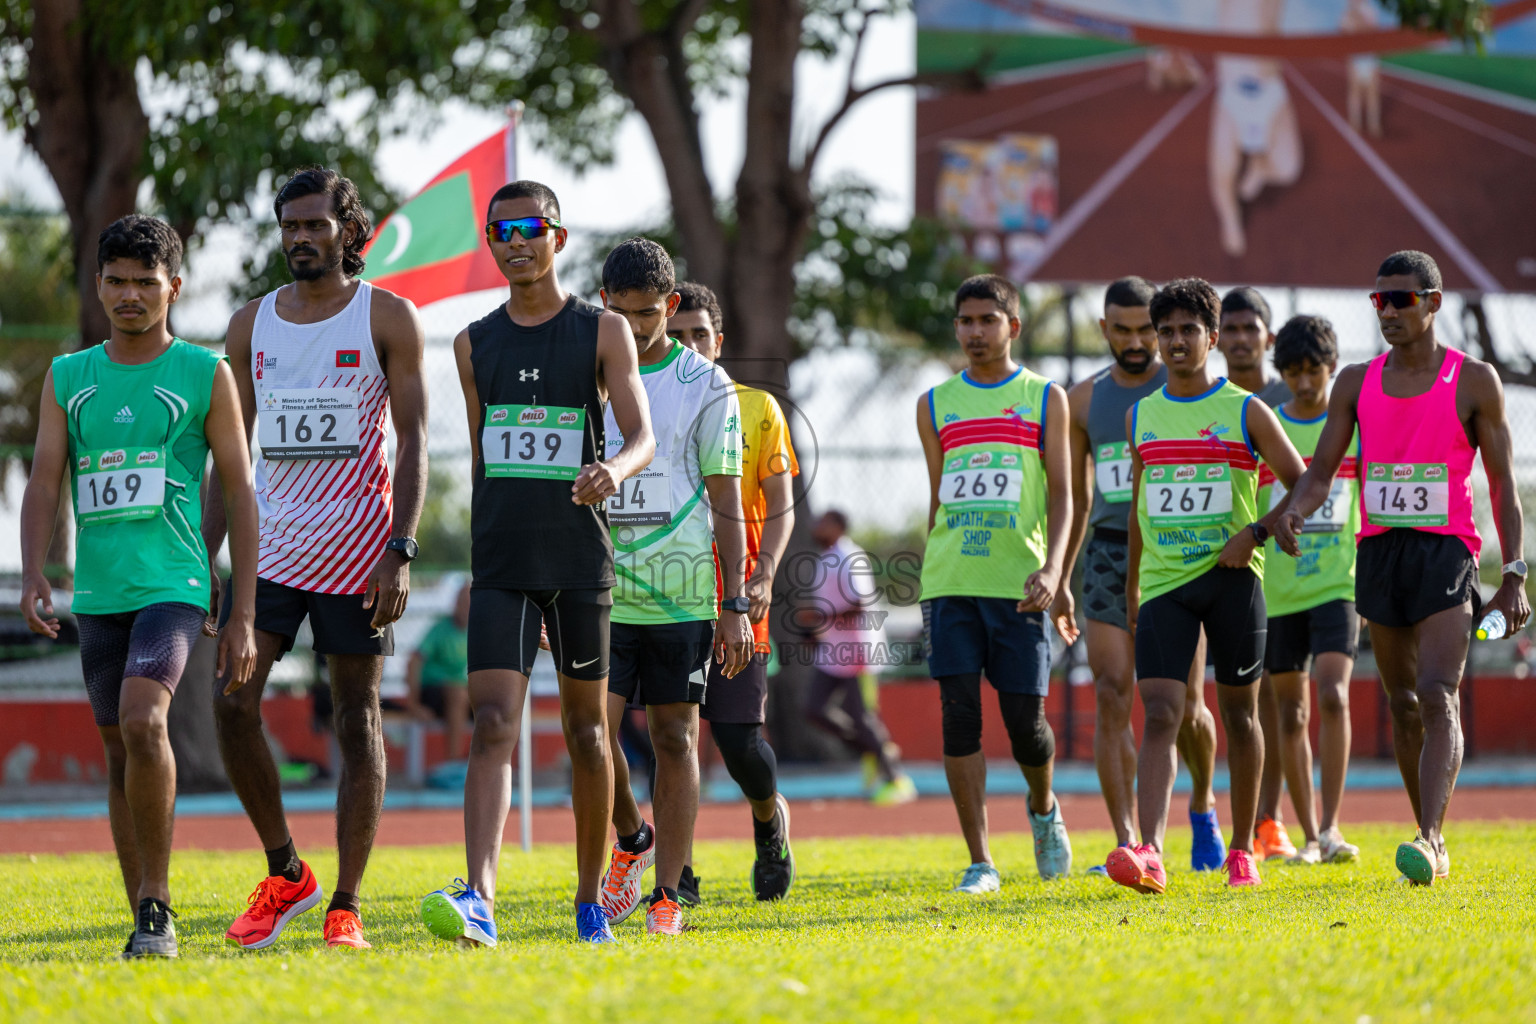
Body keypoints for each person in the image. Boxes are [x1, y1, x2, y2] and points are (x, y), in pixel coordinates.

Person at [421, 182, 655, 947]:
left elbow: (639, 435)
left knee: (590, 736)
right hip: (501, 562)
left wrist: (613, 471)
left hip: (578, 563)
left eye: (529, 228)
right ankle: (480, 897)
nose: (514, 241)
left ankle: (590, 901)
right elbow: (490, 456)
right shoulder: (471, 343)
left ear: (557, 236)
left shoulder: (603, 330)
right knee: (493, 723)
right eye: (500, 230)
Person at [19, 215, 259, 957]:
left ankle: (158, 903)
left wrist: (243, 608)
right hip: (97, 595)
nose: (129, 294)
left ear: (173, 289)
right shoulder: (69, 379)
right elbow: (44, 479)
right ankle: (142, 914)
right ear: (98, 286)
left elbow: (242, 492)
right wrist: (33, 571)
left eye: (144, 282)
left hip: (176, 584)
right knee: (119, 748)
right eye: (116, 281)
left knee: (145, 719)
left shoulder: (203, 373)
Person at [204, 167, 429, 951]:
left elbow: (415, 443)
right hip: (269, 548)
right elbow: (227, 457)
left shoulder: (388, 317)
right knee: (232, 702)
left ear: (348, 231)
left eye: (315, 225)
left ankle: (346, 903)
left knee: (356, 718)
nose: (301, 238)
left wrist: (400, 550)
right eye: (289, 226)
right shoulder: (248, 325)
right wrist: (205, 555)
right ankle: (285, 870)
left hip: (359, 550)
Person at [1275, 251, 1529, 885]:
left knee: (1439, 692)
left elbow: (1502, 486)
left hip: (1446, 553)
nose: (1388, 311)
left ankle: (1430, 835)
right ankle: (1430, 837)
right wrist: (1289, 512)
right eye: (1379, 301)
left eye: (1402, 300)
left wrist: (1516, 574)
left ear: (1434, 303)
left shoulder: (1473, 381)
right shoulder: (1356, 382)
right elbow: (1321, 471)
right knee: (1403, 703)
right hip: (1380, 553)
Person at [1111, 277, 1306, 893]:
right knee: (1163, 711)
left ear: (1212, 338)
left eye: (1186, 331)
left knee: (1240, 715)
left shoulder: (1246, 409)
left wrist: (1256, 531)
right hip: (1165, 584)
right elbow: (1142, 504)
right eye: (1164, 331)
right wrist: (1133, 586)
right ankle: (1149, 852)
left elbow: (1302, 481)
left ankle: (1243, 850)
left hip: (1232, 581)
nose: (1173, 341)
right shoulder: (1140, 414)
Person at [595, 239, 753, 937]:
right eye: (623, 315)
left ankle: (667, 894)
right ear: (604, 305)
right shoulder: (585, 377)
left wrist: (735, 603)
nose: (636, 328)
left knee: (675, 737)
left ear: (674, 305)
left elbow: (726, 499)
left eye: (650, 314)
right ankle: (632, 837)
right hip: (596, 592)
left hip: (680, 593)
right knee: (588, 735)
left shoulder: (705, 384)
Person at [1055, 276, 1225, 877]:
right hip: (1105, 553)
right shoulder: (1080, 401)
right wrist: (1060, 576)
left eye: (1143, 330)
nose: (1135, 341)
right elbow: (1074, 499)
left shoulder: (1184, 384)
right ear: (1104, 328)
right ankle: (1131, 840)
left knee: (1184, 709)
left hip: (1177, 553)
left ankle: (1203, 805)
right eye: (1121, 330)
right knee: (1110, 692)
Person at [917, 273, 1074, 892]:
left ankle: (1042, 810)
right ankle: (981, 860)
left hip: (1019, 583)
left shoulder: (1045, 398)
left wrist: (1054, 570)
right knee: (959, 717)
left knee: (1027, 726)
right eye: (966, 321)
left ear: (1013, 326)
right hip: (949, 580)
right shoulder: (934, 404)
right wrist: (929, 571)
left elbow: (1063, 495)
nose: (975, 332)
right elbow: (937, 500)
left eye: (988, 320)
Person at [669, 281, 799, 903]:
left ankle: (770, 823)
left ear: (719, 343)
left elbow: (781, 507)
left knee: (740, 743)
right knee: (673, 736)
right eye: (677, 335)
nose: (688, 346)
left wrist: (763, 575)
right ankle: (679, 874)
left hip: (736, 601)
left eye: (699, 335)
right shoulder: (636, 401)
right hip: (664, 597)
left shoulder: (758, 409)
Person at [1258, 316, 1361, 865]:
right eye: (1292, 372)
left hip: (1337, 585)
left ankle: (1333, 824)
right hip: (1279, 591)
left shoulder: (1352, 428)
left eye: (1313, 370)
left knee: (1334, 694)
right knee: (1291, 715)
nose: (1303, 382)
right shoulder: (1268, 427)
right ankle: (1311, 837)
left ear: (1332, 367)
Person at [1220, 285, 1298, 861]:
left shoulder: (1283, 398)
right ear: (1216, 336)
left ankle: (1269, 822)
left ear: (1268, 337)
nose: (1242, 339)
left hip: (1278, 564)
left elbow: (1311, 481)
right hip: (1204, 564)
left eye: (1252, 329)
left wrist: (1264, 532)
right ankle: (1204, 816)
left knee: (1273, 696)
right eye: (1232, 328)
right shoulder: (1199, 399)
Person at [805, 510, 914, 806]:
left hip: (857, 650)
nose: (817, 526)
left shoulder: (850, 556)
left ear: (839, 526)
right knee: (814, 709)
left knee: (862, 717)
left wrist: (821, 618)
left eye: (824, 522)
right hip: (831, 650)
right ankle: (872, 749)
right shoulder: (825, 558)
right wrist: (816, 630)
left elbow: (860, 604)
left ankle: (896, 779)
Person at [1209, 0, 1302, 257]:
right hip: (1232, 93)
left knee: (1288, 168)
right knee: (1221, 176)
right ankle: (1231, 221)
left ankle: (1261, 167)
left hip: (1269, 92)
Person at [404, 581, 471, 763]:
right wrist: (413, 704)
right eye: (464, 601)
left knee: (490, 700)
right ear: (456, 604)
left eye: (472, 602)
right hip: (432, 692)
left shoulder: (478, 631)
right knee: (457, 693)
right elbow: (414, 662)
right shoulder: (440, 629)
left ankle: (482, 764)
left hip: (460, 692)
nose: (467, 606)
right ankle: (453, 763)